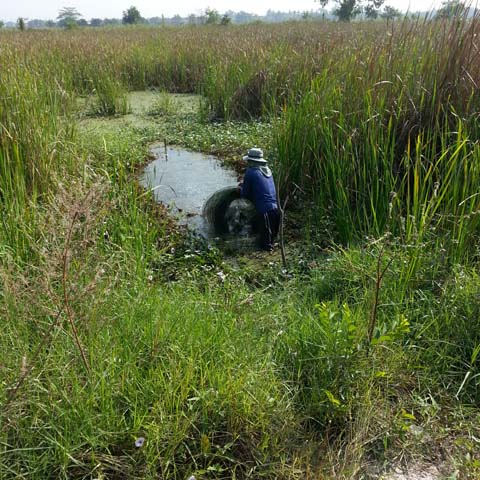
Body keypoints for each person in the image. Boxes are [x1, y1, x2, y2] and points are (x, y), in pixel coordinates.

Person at [238, 147, 281, 251]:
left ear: (251, 161)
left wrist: (240, 188)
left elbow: (245, 194)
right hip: (277, 210)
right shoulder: (267, 171)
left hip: (265, 211)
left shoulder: (251, 172)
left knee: (265, 245)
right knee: (271, 238)